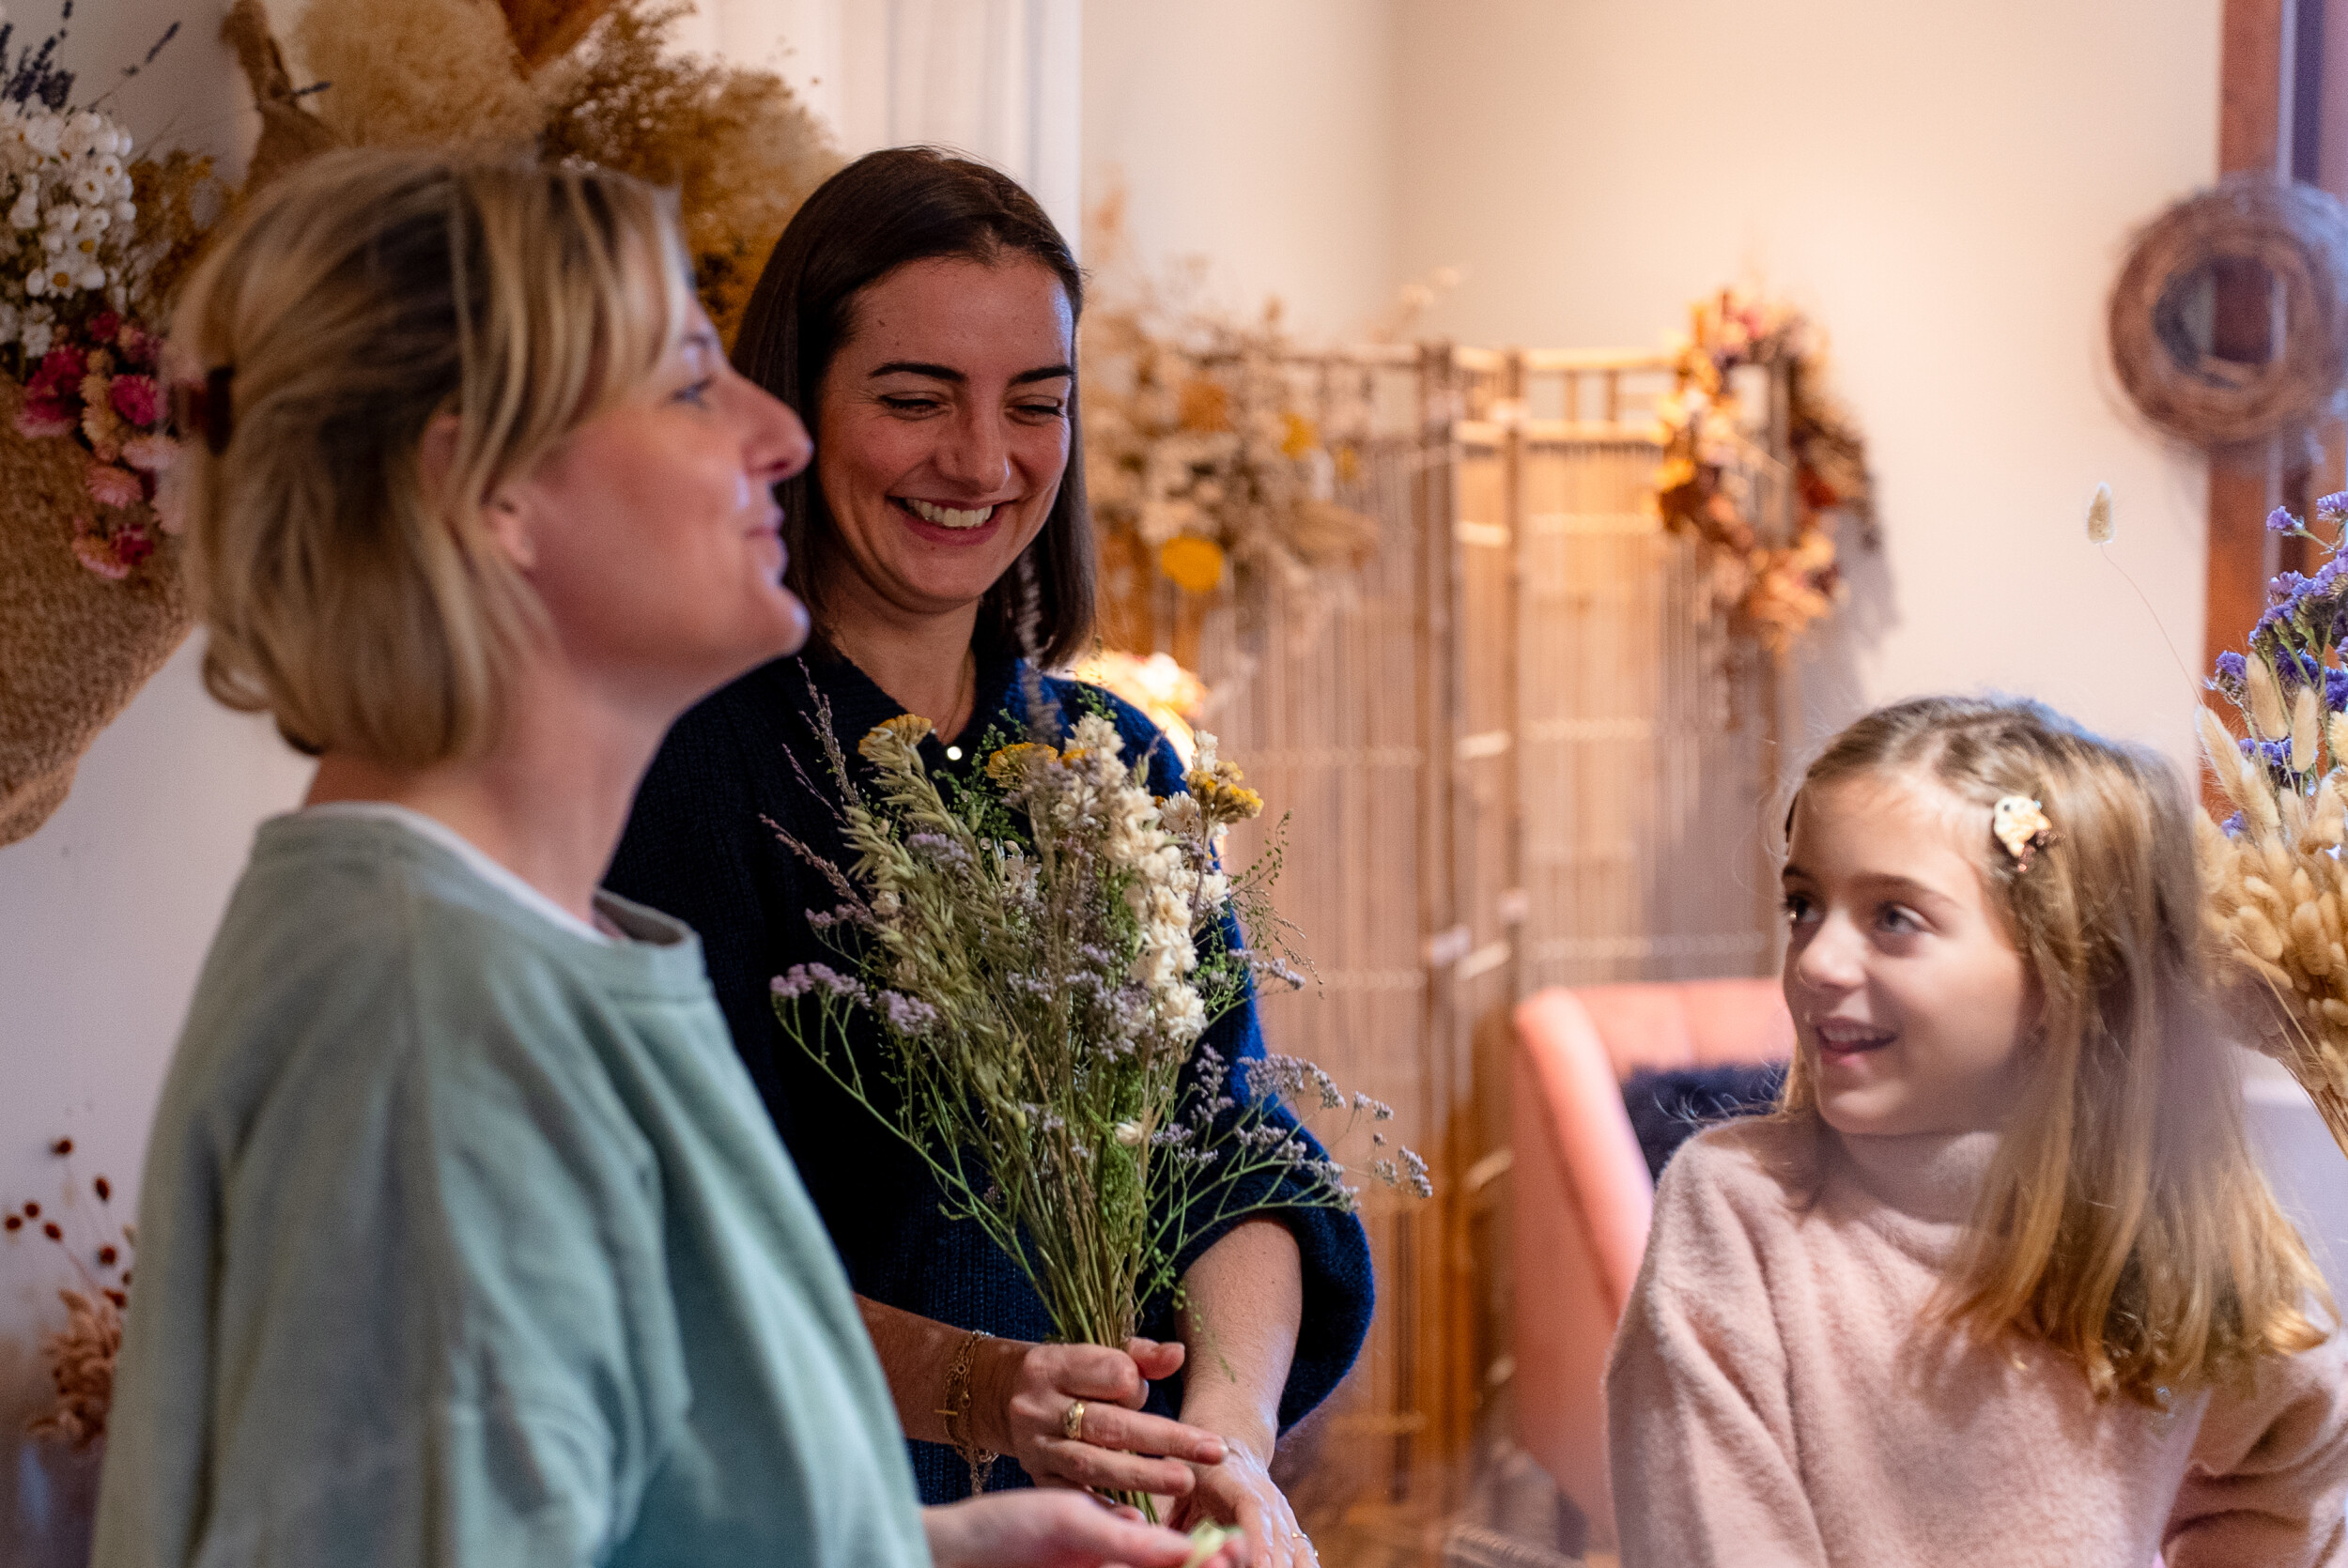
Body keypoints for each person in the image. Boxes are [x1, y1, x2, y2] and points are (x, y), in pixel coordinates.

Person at [92, 147, 1202, 1568]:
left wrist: (938, 1545)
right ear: (486, 486)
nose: (778, 434)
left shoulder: (528, 947)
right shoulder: (426, 1024)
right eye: (689, 383)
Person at [607, 147, 1373, 1564]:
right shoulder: (690, 767)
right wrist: (974, 1388)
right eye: (914, 399)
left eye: (1037, 405)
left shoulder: (1113, 764)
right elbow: (671, 1253)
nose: (982, 460)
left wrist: (1220, 1452)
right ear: (794, 410)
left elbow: (1237, 1154)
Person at [1606, 695, 2348, 1567]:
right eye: (1803, 904)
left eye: (1893, 918)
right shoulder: (1738, 1215)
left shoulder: (2163, 1235)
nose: (1816, 959)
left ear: (2063, 972)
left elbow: (2302, 1469)